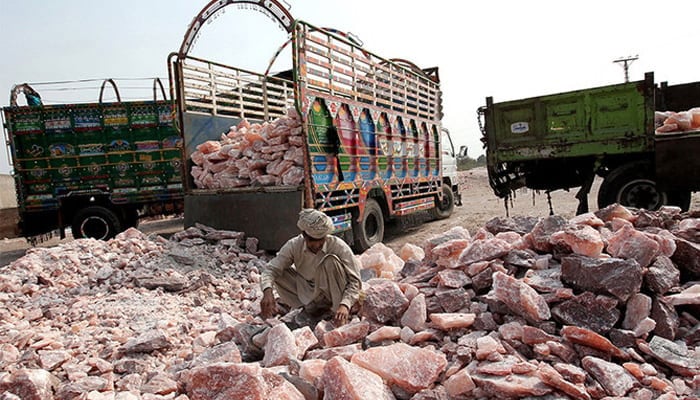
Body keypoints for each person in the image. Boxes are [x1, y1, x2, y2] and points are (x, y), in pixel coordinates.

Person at [260, 208, 361, 326]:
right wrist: (267, 292)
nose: (317, 245)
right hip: (307, 294)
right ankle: (309, 310)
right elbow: (270, 270)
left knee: (330, 261)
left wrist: (345, 304)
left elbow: (355, 281)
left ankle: (335, 313)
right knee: (278, 272)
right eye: (313, 240)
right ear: (304, 235)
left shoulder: (338, 246)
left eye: (321, 240)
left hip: (333, 295)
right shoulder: (294, 245)